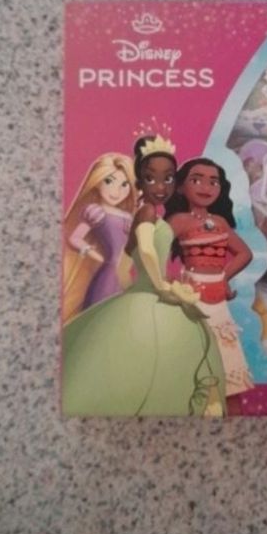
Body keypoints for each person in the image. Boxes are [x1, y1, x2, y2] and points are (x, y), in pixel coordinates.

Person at [62, 136, 226, 417]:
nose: (160, 187)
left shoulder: (149, 215)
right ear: (140, 182)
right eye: (151, 179)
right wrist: (159, 285)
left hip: (144, 293)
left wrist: (131, 289)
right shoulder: (146, 212)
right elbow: (147, 250)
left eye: (168, 179)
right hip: (153, 293)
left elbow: (124, 264)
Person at [166, 158, 254, 397]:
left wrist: (223, 278)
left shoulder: (220, 222)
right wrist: (170, 282)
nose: (206, 187)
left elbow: (244, 253)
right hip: (191, 298)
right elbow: (155, 251)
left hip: (218, 300)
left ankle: (224, 400)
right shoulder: (179, 221)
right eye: (197, 180)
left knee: (227, 358)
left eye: (213, 182)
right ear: (181, 187)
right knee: (195, 352)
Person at [62, 154, 136, 323]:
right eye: (109, 181)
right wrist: (94, 254)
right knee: (100, 318)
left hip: (126, 273)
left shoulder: (128, 217)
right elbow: (75, 238)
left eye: (124, 184)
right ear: (97, 182)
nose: (116, 191)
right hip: (108, 274)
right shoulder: (97, 212)